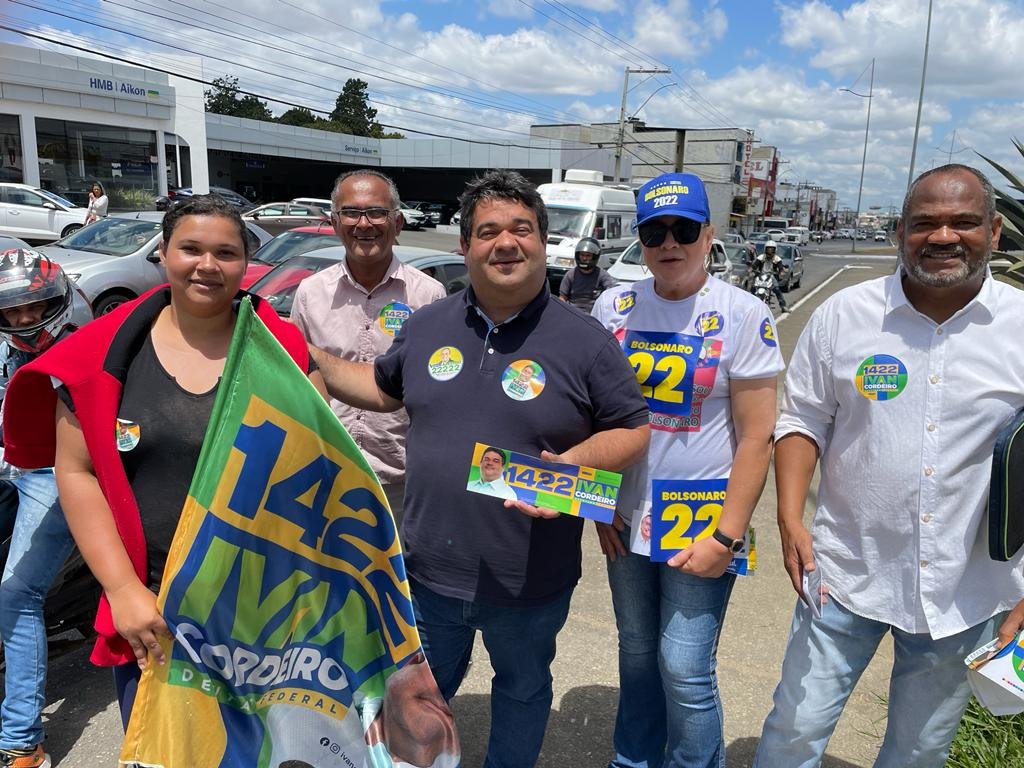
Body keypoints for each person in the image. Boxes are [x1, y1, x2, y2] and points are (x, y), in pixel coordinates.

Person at [311, 169, 650, 768]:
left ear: (544, 243)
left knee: (521, 690)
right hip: (428, 572)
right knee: (417, 698)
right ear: (465, 246)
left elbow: (632, 429)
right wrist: (298, 351)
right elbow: (382, 389)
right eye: (488, 230)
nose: (506, 242)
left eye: (522, 229)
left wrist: (572, 466)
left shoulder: (586, 340)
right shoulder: (428, 324)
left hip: (530, 578)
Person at [1, 195, 327, 730]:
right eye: (190, 248)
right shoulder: (103, 353)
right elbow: (76, 472)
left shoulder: (285, 349)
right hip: (148, 612)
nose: (207, 265)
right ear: (163, 255)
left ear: (246, 262)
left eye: (226, 252)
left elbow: (316, 469)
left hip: (256, 613)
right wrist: (124, 591)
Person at [754, 164, 1024, 767]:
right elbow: (801, 420)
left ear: (995, 232)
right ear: (901, 231)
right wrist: (791, 518)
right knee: (794, 728)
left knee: (919, 749)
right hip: (845, 569)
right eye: (926, 223)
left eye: (964, 222)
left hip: (966, 587)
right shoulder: (845, 316)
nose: (945, 236)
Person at [592, 172, 782, 768]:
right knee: (637, 654)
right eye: (655, 231)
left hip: (701, 518)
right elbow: (592, 417)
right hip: (625, 512)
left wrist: (726, 535)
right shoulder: (612, 305)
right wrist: (598, 505)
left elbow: (758, 437)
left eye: (685, 229)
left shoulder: (743, 314)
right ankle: (633, 760)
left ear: (709, 234)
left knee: (685, 666)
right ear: (641, 239)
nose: (670, 242)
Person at [291, 170, 445, 527]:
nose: (364, 224)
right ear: (333, 221)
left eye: (377, 212)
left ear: (398, 222)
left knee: (398, 579)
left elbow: (435, 389)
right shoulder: (310, 294)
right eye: (351, 212)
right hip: (326, 471)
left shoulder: (428, 295)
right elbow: (296, 378)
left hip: (400, 479)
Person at [0, 250, 82, 768]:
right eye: (13, 310)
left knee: (17, 593)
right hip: (9, 466)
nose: (25, 320)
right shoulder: (5, 353)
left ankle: (22, 740)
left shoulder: (80, 349)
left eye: (35, 308)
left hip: (53, 473)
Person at [558, 236, 616, 312]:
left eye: (588, 255)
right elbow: (562, 298)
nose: (584, 258)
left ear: (595, 256)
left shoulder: (602, 275)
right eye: (582, 255)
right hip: (573, 314)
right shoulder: (570, 274)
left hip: (594, 315)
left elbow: (611, 295)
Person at [754, 240, 787, 311]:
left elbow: (780, 267)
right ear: (765, 249)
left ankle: (783, 306)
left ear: (775, 250)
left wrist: (781, 272)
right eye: (768, 249)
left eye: (772, 249)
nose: (770, 251)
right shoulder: (761, 257)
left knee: (777, 290)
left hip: (771, 276)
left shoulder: (777, 259)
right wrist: (751, 269)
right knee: (752, 288)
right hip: (761, 275)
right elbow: (754, 265)